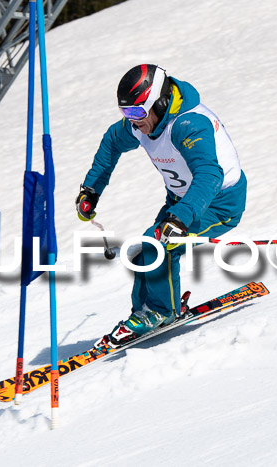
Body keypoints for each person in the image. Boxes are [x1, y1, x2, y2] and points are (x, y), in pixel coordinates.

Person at [76, 64, 247, 347]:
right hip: (181, 200)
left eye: (138, 112)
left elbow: (209, 175)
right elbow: (110, 143)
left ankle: (160, 311)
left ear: (161, 102)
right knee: (146, 248)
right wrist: (92, 189)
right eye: (126, 113)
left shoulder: (188, 124)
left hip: (217, 203)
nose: (133, 121)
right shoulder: (142, 124)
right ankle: (146, 311)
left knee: (158, 244)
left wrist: (179, 219)